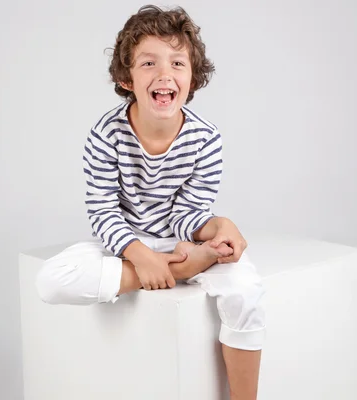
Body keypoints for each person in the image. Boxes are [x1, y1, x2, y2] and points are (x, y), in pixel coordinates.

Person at [36, 5, 266, 399]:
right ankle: (175, 271)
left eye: (178, 63)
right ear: (127, 78)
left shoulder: (206, 138)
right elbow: (104, 211)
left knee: (246, 289)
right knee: (52, 280)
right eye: (148, 63)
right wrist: (145, 258)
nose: (164, 74)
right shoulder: (105, 134)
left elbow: (188, 212)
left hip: (182, 245)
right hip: (126, 246)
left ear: (191, 78)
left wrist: (216, 229)